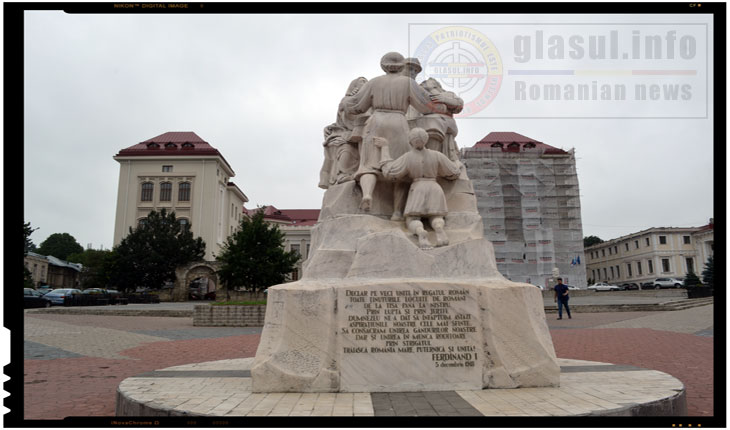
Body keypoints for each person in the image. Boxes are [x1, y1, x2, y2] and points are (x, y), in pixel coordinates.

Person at [345, 52, 437, 217]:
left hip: (376, 122)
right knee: (400, 168)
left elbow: (357, 107)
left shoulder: (374, 82)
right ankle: (396, 212)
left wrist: (348, 101)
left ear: (383, 65)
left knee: (369, 165)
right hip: (399, 123)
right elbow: (425, 107)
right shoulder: (408, 83)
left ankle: (367, 195)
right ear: (402, 66)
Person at [376, 128, 462, 248]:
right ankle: (439, 229)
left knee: (412, 218)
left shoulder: (408, 157)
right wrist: (457, 164)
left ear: (410, 141)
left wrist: (384, 149)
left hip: (418, 188)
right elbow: (453, 172)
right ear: (426, 140)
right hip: (434, 187)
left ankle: (421, 232)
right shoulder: (437, 155)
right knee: (436, 216)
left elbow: (390, 173)